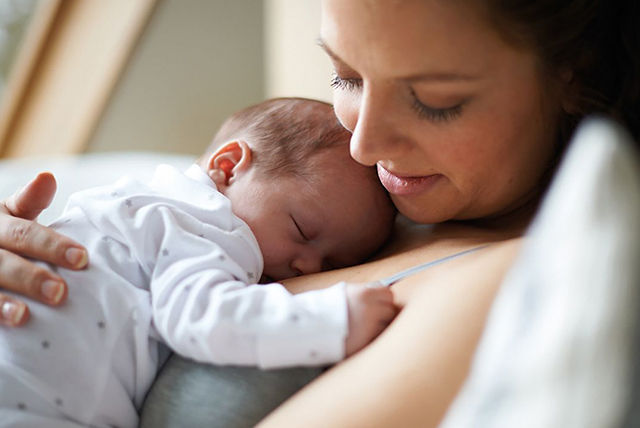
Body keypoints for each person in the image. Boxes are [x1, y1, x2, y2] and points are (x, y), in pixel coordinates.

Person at [0, 0, 638, 427]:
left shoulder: (503, 286)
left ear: (571, 77)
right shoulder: (322, 186)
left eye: (436, 101)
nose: (364, 145)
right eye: (345, 77)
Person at [0, 97, 397, 427]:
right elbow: (203, 318)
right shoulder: (198, 222)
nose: (309, 268)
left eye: (331, 263)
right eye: (302, 230)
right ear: (228, 168)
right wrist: (335, 318)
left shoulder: (139, 203)